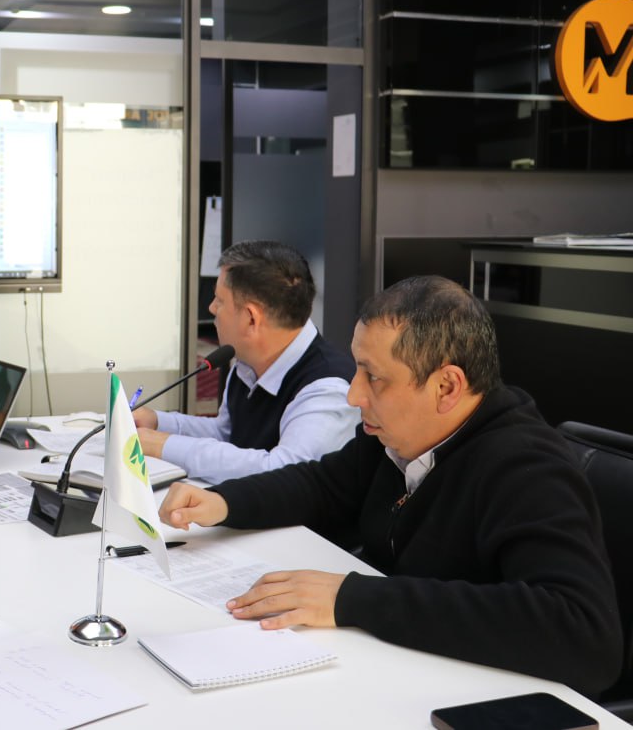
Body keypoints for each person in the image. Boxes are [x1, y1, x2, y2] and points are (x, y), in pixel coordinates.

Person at [157, 275, 622, 695]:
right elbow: (323, 486)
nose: (354, 394)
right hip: (401, 669)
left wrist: (352, 599)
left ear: (446, 387)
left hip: (479, 698)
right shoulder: (396, 437)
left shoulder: (527, 468)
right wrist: (223, 502)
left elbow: (584, 636)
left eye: (374, 377)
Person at [134, 240, 358, 484]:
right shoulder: (249, 361)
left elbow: (283, 472)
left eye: (219, 300)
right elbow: (226, 433)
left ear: (251, 318)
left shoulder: (327, 389)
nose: (211, 308)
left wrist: (166, 446)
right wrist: (157, 422)